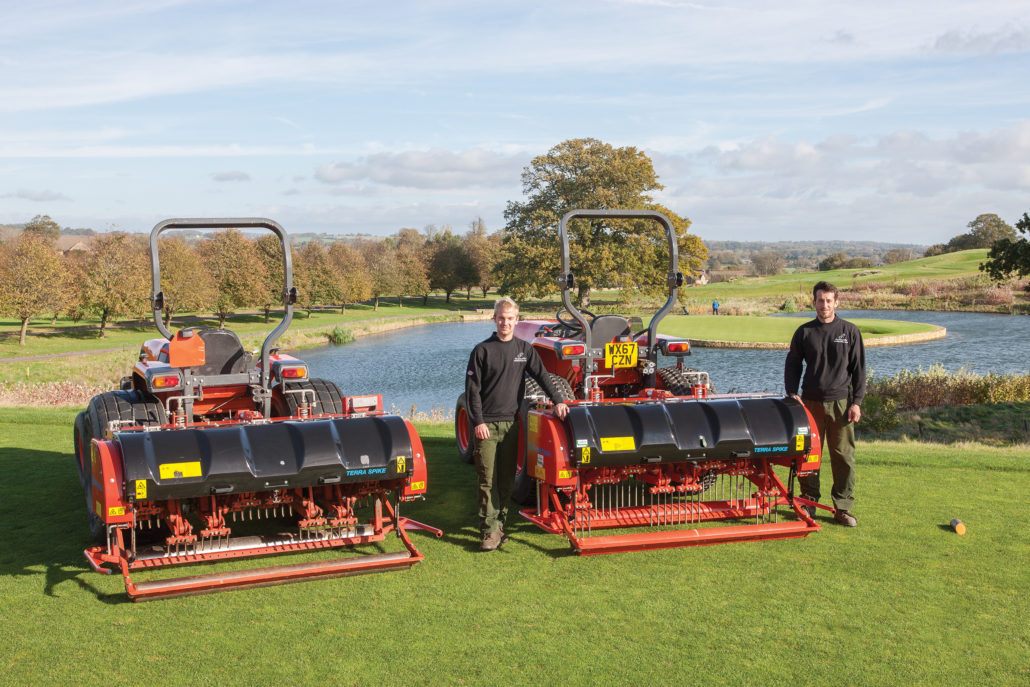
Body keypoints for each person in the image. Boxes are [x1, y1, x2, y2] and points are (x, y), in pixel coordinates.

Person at [465, 297, 570, 550]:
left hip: (512, 425)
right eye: (501, 318)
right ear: (494, 319)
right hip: (486, 426)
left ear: (516, 320)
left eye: (510, 319)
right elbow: (472, 392)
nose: (505, 322)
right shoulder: (482, 350)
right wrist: (477, 422)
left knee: (506, 481)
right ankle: (489, 530)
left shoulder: (524, 350)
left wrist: (558, 400)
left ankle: (500, 524)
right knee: (487, 479)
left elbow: (543, 376)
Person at [784, 281, 865, 527]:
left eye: (829, 300)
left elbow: (859, 370)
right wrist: (791, 393)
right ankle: (809, 501)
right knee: (809, 454)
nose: (824, 305)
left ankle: (842, 508)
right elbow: (793, 365)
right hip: (809, 404)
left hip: (841, 404)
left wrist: (857, 402)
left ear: (836, 302)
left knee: (843, 456)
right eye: (820, 300)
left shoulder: (850, 331)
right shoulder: (804, 332)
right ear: (814, 302)